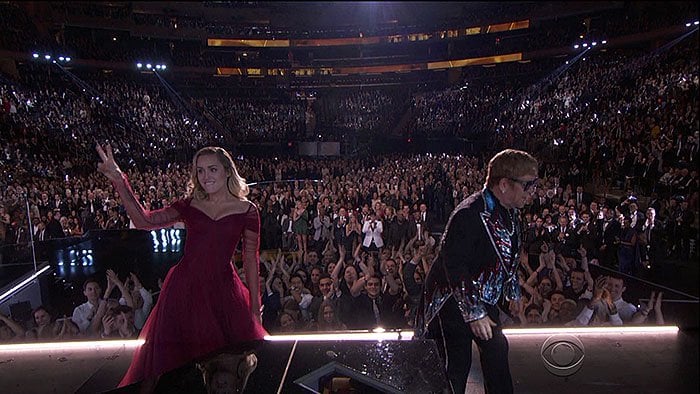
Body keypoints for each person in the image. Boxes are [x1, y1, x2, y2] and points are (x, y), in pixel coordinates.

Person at [96, 144, 267, 392]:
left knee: (219, 360)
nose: (205, 176)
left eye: (212, 169)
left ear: (228, 171)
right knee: (157, 366)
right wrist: (118, 179)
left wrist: (254, 308)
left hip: (222, 291)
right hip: (182, 289)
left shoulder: (248, 210)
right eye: (200, 171)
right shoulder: (189, 205)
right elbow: (144, 221)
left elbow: (251, 260)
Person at [415, 149, 538, 394]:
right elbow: (454, 266)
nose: (533, 192)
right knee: (454, 365)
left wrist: (512, 291)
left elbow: (510, 254)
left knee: (497, 351)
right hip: (450, 300)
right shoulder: (468, 215)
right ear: (504, 184)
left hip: (482, 295)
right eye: (528, 185)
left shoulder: (511, 213)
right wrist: (474, 313)